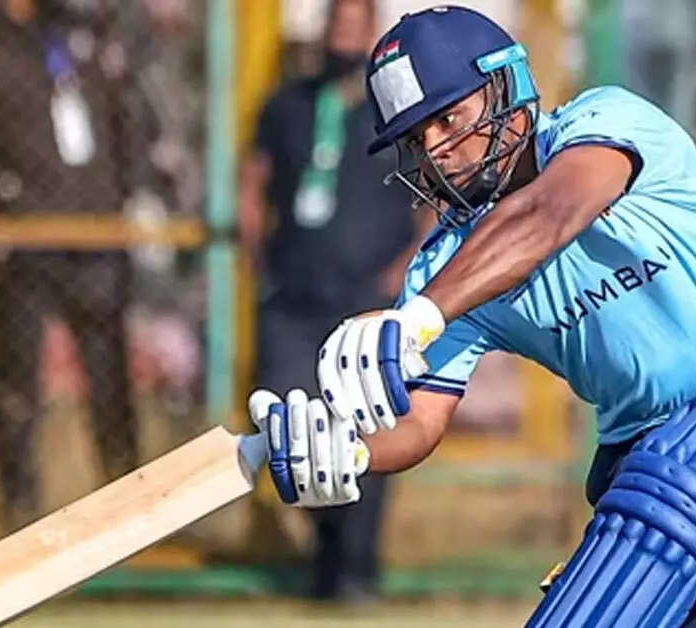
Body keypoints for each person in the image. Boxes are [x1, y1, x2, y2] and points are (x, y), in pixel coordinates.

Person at [246, 5, 696, 627]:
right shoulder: (447, 267)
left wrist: (418, 317)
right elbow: (420, 420)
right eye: (417, 138)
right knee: (668, 503)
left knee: (685, 471)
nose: (437, 150)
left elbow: (549, 213)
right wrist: (349, 451)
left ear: (504, 86)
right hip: (652, 453)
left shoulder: (604, 122)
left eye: (448, 118)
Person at [238, 0, 430, 605]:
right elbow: (253, 181)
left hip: (369, 299)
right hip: (294, 296)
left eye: (355, 24)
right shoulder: (287, 104)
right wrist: (259, 259)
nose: (344, 35)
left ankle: (354, 568)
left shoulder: (395, 111)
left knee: (370, 425)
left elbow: (433, 197)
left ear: (372, 32)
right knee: (290, 422)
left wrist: (403, 273)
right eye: (337, 23)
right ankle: (326, 550)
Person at [0, 0, 165, 526]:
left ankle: (129, 510)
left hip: (95, 232)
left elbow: (127, 121)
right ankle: (18, 511)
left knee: (110, 380)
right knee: (16, 382)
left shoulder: (80, 37)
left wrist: (134, 194)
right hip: (22, 238)